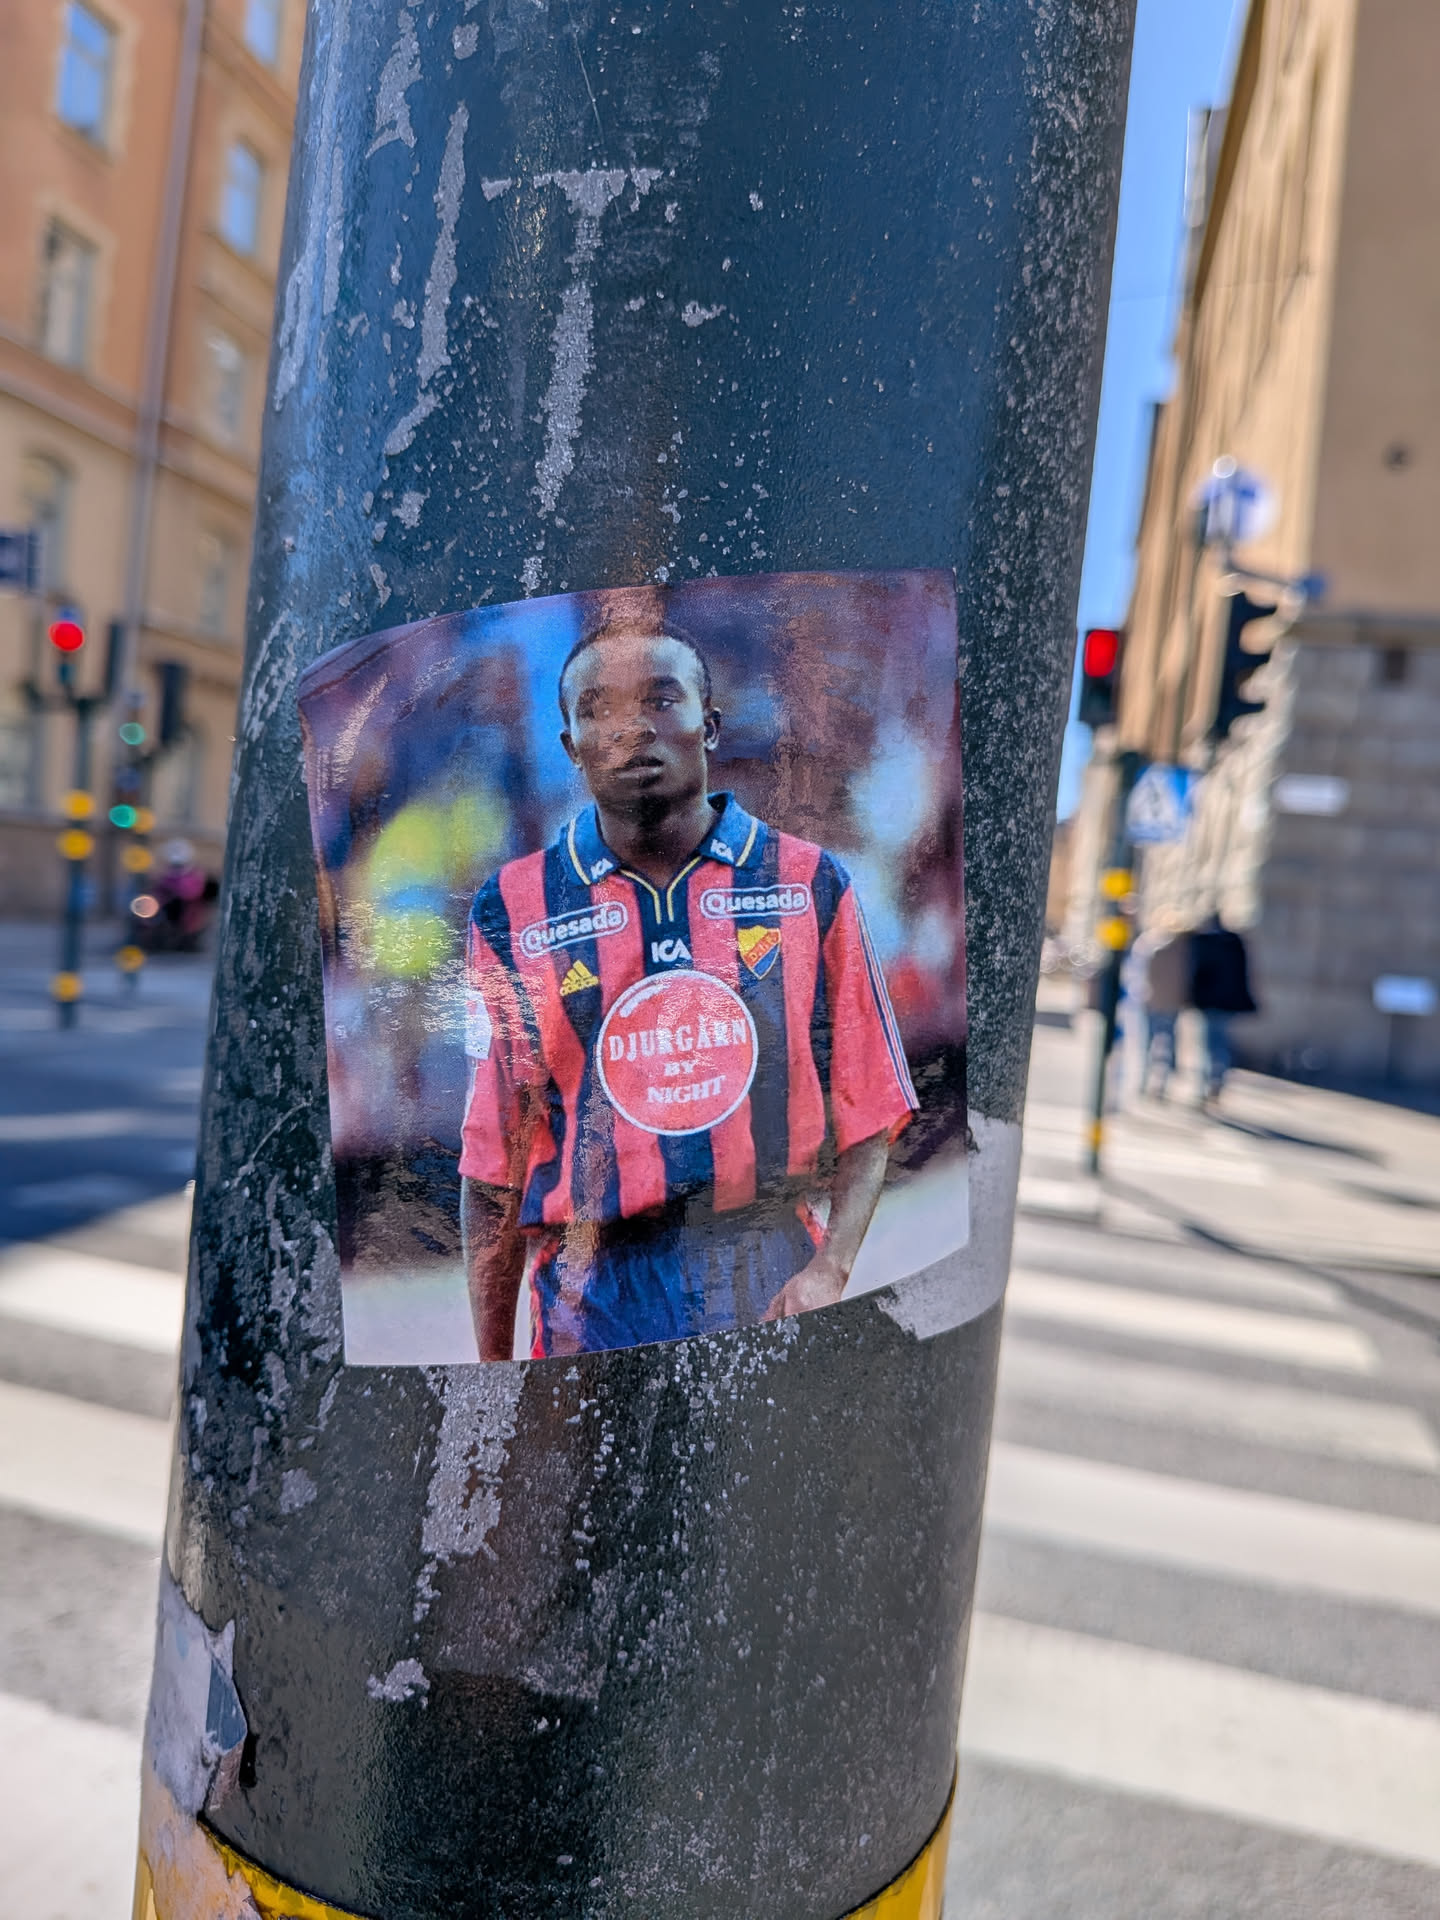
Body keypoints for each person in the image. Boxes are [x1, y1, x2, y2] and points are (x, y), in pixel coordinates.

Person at [458, 613, 919, 1360]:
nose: (632, 729)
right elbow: (493, 1166)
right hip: (592, 1299)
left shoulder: (806, 884)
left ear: (708, 725)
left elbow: (871, 1105)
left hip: (765, 1270)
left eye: (660, 700)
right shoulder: (512, 908)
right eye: (598, 711)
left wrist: (830, 1270)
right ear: (571, 747)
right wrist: (493, 1372)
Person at [1188, 911, 1258, 1103]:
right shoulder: (1234, 942)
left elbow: (1196, 974)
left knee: (1208, 1046)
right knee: (1221, 1044)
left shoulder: (1204, 942)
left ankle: (1206, 1086)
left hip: (1210, 1002)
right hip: (1227, 1003)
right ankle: (1216, 1082)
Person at [1128, 914, 1189, 1099]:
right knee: (1166, 1042)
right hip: (1170, 1002)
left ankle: (1145, 1081)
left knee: (1148, 1042)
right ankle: (1160, 1083)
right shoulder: (1181, 949)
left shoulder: (1149, 944)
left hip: (1151, 1000)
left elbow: (1137, 974)